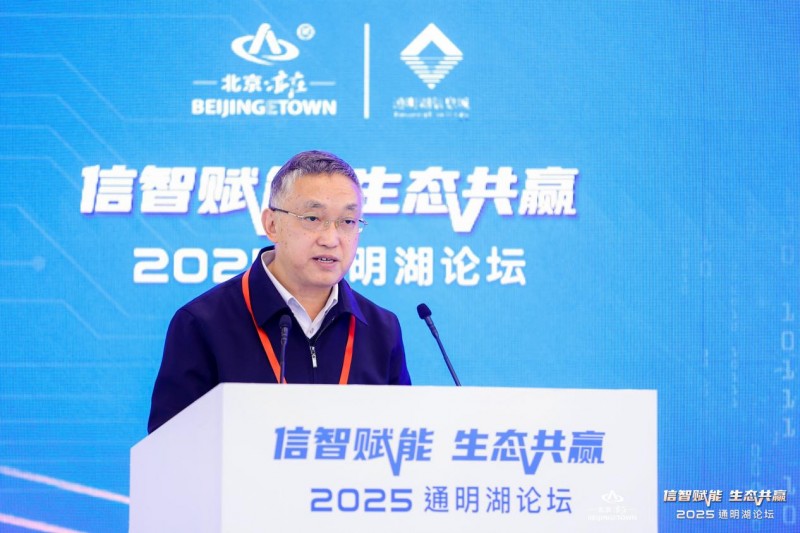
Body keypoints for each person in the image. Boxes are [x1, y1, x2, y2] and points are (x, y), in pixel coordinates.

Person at [147, 150, 411, 433]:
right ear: (272, 225)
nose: (331, 239)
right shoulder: (202, 324)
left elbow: (403, 439)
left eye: (347, 221)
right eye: (313, 218)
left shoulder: (381, 329)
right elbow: (170, 448)